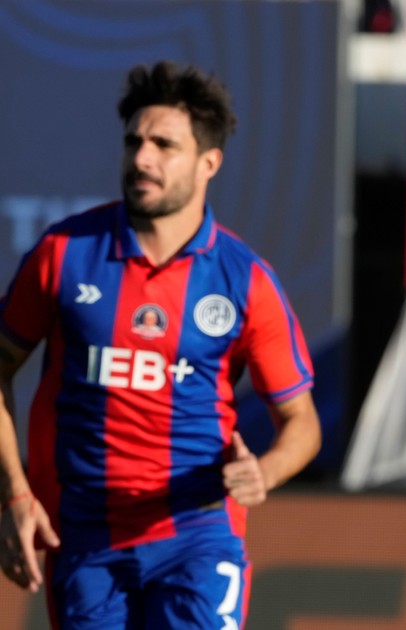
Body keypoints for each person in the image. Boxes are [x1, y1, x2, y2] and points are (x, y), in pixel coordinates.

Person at [0, 61, 321, 628]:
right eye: (134, 142)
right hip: (86, 537)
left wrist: (265, 472)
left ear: (208, 163)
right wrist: (14, 496)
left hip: (199, 533)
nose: (142, 158)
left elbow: (302, 423)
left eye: (164, 145)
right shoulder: (64, 253)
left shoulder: (244, 279)